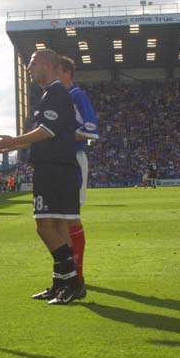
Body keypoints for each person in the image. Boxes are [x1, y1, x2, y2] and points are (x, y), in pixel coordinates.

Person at [0, 49, 84, 305]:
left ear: (45, 64)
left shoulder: (55, 93)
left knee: (44, 227)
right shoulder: (50, 94)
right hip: (60, 167)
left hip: (53, 168)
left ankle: (73, 282)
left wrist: (14, 141)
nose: (29, 69)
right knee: (58, 226)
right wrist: (14, 145)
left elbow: (47, 131)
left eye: (31, 64)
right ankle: (61, 283)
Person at [59, 55, 99, 283]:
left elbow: (91, 131)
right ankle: (68, 273)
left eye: (56, 71)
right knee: (59, 219)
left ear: (65, 72)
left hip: (73, 158)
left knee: (70, 217)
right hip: (59, 160)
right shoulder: (60, 98)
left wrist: (59, 135)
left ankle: (77, 273)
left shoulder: (76, 96)